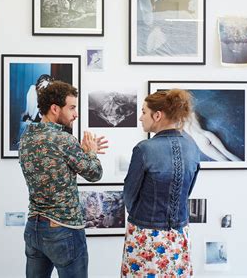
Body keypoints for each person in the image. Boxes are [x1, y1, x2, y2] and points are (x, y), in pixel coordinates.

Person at [19, 81, 108, 278]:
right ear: (54, 108)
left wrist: (81, 153)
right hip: (63, 230)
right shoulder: (64, 140)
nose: (75, 114)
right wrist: (91, 153)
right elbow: (94, 174)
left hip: (34, 228)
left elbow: (55, 166)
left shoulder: (26, 137)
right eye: (72, 108)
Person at [121, 89, 200, 277]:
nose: (141, 118)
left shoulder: (144, 149)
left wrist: (142, 217)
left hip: (145, 235)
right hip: (180, 235)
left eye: (143, 112)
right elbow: (188, 190)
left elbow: (129, 194)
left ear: (157, 115)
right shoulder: (192, 147)